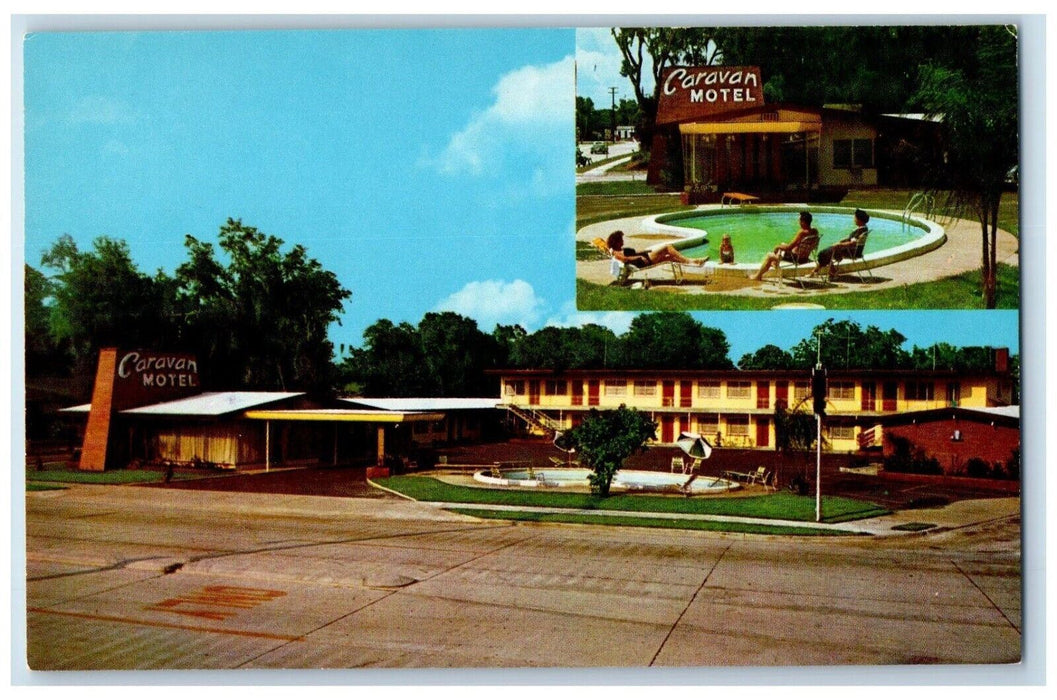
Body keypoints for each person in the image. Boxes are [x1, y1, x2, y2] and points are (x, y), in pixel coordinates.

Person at [751, 211, 818, 281]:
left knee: (769, 255)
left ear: (803, 222)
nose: (798, 222)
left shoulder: (802, 232)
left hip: (797, 259)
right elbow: (814, 246)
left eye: (799, 220)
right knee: (782, 244)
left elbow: (789, 247)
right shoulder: (814, 231)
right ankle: (775, 263)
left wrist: (777, 247)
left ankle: (757, 276)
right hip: (805, 258)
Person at [813, 209, 870, 278]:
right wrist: (843, 240)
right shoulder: (864, 229)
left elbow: (853, 243)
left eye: (855, 217)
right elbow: (852, 240)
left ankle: (826, 272)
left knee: (824, 253)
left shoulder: (860, 230)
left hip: (851, 252)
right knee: (826, 253)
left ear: (859, 219)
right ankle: (819, 272)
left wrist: (839, 245)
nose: (854, 219)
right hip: (855, 250)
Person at [605, 230, 708, 268]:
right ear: (616, 241)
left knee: (669, 257)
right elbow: (625, 259)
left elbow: (633, 253)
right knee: (667, 247)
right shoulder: (615, 252)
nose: (623, 241)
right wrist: (639, 256)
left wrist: (645, 251)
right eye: (621, 239)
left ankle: (693, 262)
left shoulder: (619, 249)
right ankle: (691, 261)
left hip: (645, 257)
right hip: (644, 261)